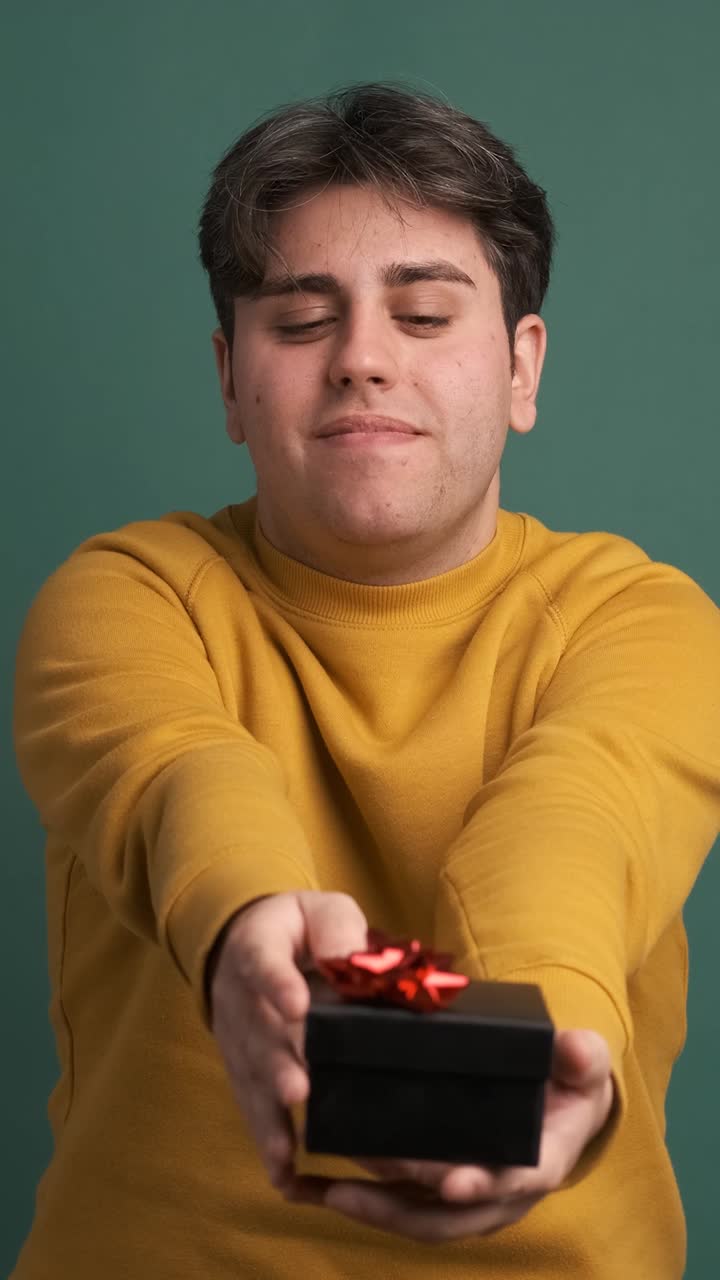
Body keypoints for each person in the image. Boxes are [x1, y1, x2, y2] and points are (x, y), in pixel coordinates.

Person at [11, 81, 720, 1279]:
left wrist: (543, 1058)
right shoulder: (126, 590)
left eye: (426, 315)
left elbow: (574, 820)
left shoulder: (646, 618)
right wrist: (249, 932)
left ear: (521, 367)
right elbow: (183, 776)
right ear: (231, 379)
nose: (362, 361)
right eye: (301, 323)